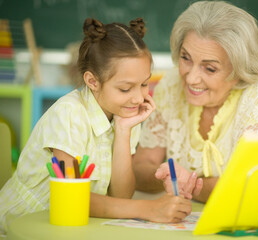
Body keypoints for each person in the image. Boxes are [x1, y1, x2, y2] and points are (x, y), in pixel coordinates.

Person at [0, 17, 191, 236]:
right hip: (17, 227)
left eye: (144, 84)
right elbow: (72, 199)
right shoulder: (69, 114)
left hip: (71, 229)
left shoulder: (125, 114)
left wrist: (123, 130)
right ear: (92, 81)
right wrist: (149, 208)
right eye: (126, 89)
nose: (139, 98)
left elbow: (120, 197)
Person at [133, 1, 258, 203]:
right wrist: (169, 178)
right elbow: (141, 166)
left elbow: (250, 188)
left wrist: (189, 184)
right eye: (186, 58)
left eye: (210, 69)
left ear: (240, 72)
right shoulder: (172, 82)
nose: (190, 78)